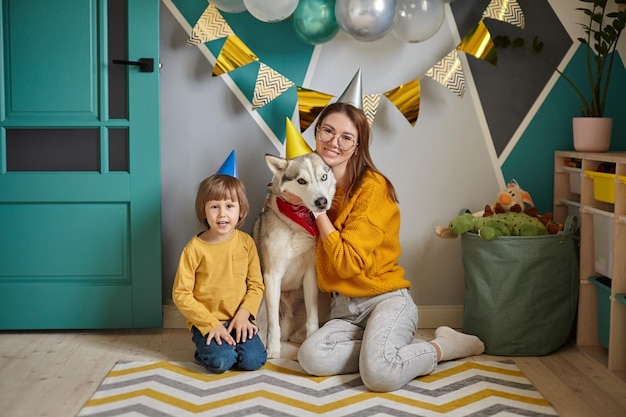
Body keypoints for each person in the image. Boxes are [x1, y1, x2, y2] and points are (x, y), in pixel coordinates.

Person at [287, 102, 485, 392]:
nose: (333, 142)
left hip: (384, 299)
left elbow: (347, 263)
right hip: (343, 308)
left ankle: (442, 346)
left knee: (379, 376)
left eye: (346, 137)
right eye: (327, 131)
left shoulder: (372, 188)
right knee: (311, 356)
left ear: (357, 146)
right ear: (316, 133)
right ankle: (382, 351)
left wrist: (315, 209)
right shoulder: (314, 182)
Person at [172, 173, 267, 373]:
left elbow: (256, 285)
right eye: (215, 207)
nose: (222, 214)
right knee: (221, 362)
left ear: (241, 210)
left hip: (239, 320)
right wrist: (210, 325)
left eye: (229, 206)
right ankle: (206, 350)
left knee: (254, 360)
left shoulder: (246, 243)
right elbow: (181, 294)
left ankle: (228, 347)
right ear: (204, 211)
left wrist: (243, 315)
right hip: (208, 322)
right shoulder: (194, 249)